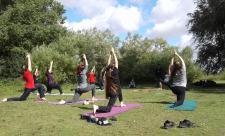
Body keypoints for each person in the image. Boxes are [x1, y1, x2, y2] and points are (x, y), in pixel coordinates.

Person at [93, 48, 126, 114]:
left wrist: (110, 55)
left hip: (110, 91)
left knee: (109, 107)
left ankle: (97, 109)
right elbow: (116, 62)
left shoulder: (107, 72)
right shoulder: (115, 72)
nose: (114, 64)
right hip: (114, 92)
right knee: (108, 109)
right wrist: (113, 53)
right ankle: (97, 107)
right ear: (114, 67)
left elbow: (108, 64)